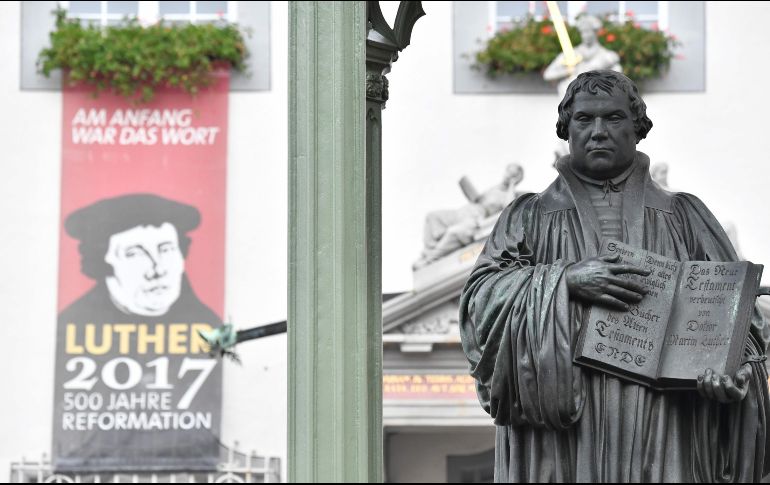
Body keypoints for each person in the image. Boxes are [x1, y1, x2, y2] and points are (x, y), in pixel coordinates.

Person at [459, 71, 770, 482]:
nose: (599, 131)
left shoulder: (686, 217)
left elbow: (741, 327)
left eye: (615, 118)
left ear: (638, 128)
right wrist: (564, 281)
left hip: (665, 429)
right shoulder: (528, 217)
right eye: (585, 120)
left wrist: (734, 374)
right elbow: (480, 306)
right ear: (566, 130)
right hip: (562, 440)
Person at [414, 163, 524, 269]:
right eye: (508, 171)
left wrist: (512, 185)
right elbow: (478, 199)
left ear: (517, 179)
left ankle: (430, 259)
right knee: (432, 217)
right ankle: (427, 253)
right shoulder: (494, 188)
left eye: (513, 175)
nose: (508, 175)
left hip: (475, 218)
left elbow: (508, 206)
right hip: (464, 211)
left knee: (453, 232)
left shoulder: (508, 194)